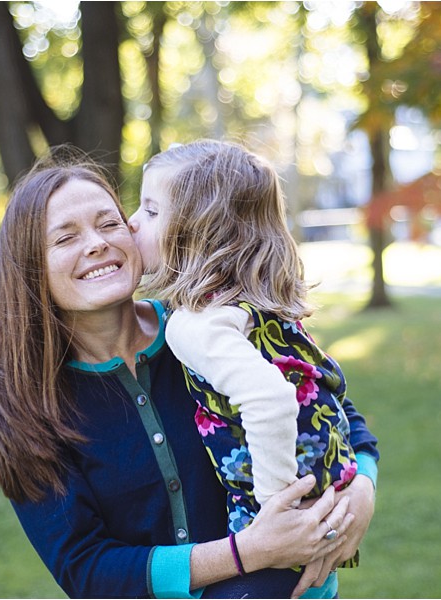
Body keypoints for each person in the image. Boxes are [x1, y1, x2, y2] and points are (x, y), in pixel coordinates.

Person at [0, 147, 378, 599]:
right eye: (65, 237)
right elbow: (85, 568)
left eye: (109, 223)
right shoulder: (26, 404)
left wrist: (361, 492)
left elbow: (326, 402)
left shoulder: (210, 324)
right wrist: (248, 551)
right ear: (30, 266)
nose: (97, 243)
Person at [129, 140, 376, 597]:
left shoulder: (195, 325)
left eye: (151, 210)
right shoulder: (260, 307)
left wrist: (274, 513)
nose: (132, 221)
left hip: (279, 536)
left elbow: (270, 398)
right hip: (327, 502)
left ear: (197, 233)